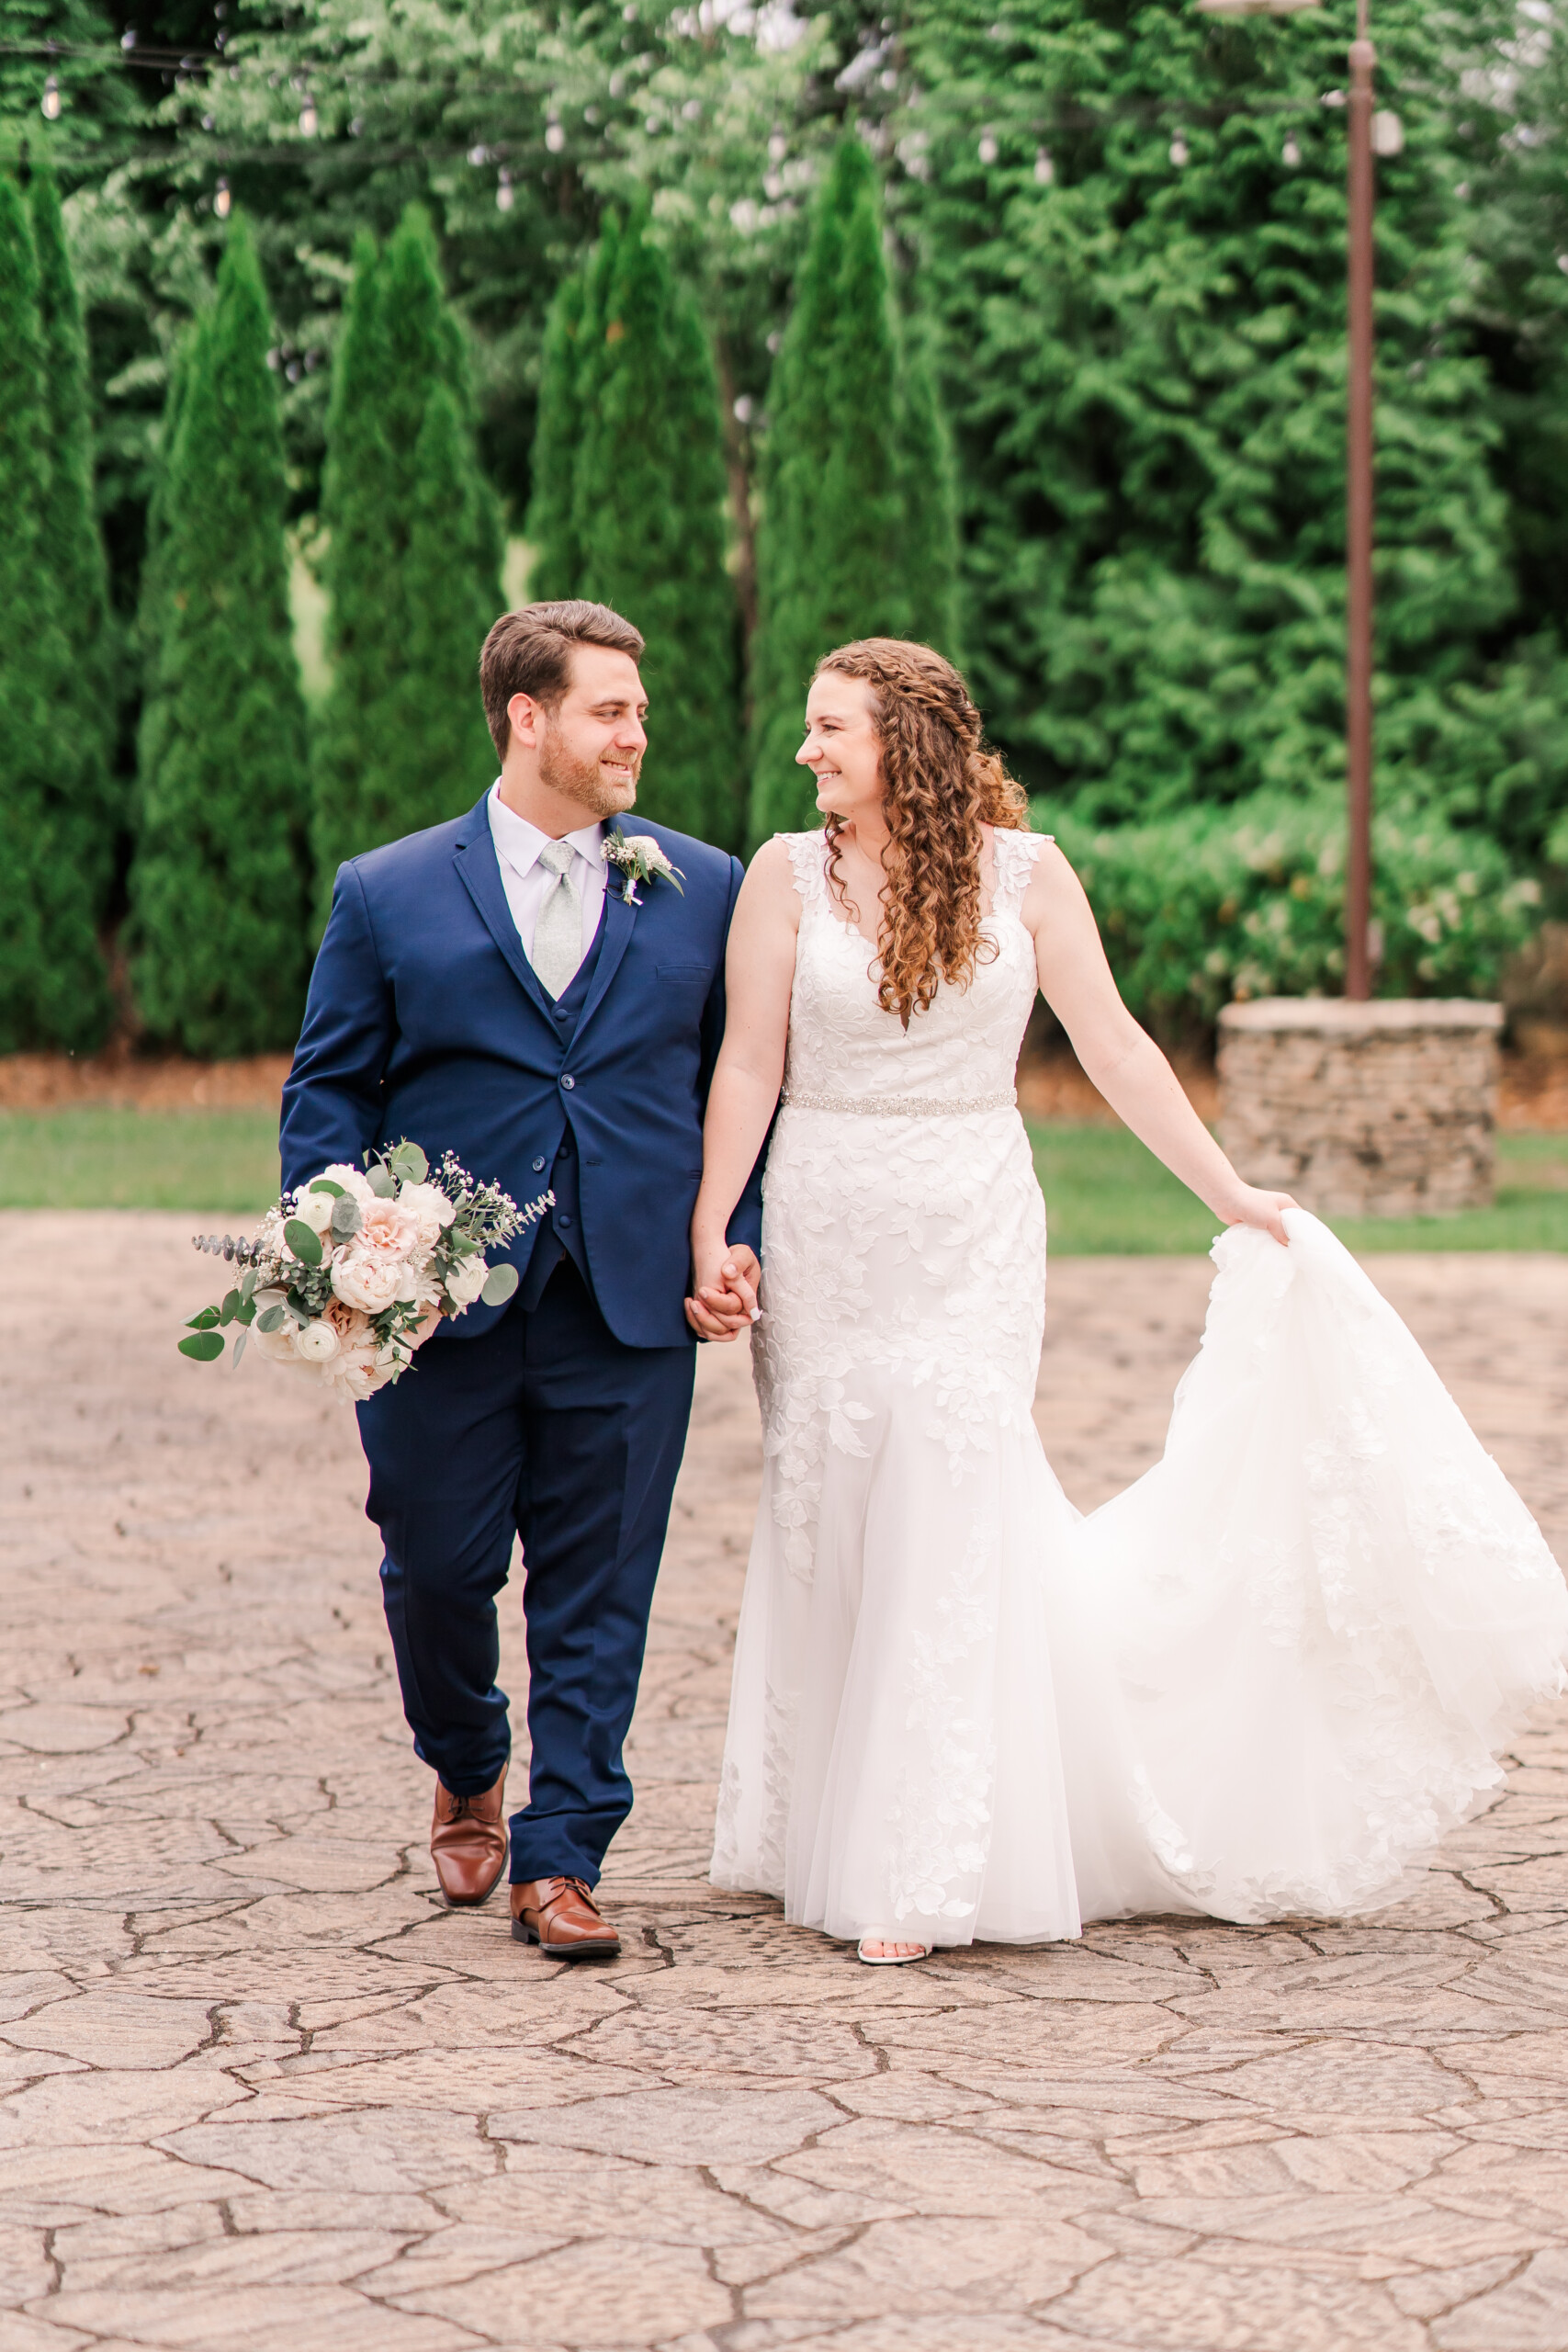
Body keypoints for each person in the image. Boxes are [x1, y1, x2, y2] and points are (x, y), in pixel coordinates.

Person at [688, 637, 1568, 1964]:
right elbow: (752, 1058)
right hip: (828, 1223)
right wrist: (714, 1223)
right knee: (834, 1499)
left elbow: (1115, 1047)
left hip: (972, 1223)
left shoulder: (1030, 879)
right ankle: (818, 1815)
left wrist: (1233, 1197)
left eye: (832, 728)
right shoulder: (782, 875)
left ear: (907, 743)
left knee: (948, 1495)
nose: (807, 750)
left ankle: (928, 1860)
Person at [281, 600, 761, 1962]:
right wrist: (342, 1258)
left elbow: (747, 1085)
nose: (638, 735)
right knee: (436, 1564)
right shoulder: (387, 891)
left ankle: (564, 1855)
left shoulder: (703, 885)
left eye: (641, 712)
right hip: (436, 1305)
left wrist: (739, 1236)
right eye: (611, 710)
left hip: (628, 1297)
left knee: (602, 1583)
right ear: (527, 718)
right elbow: (330, 1089)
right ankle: (466, 1757)